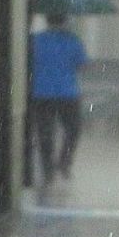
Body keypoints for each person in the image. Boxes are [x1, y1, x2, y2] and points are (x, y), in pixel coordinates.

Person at [30, 12, 88, 187]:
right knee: (73, 130)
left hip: (41, 92)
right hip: (67, 93)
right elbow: (82, 64)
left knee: (45, 132)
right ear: (65, 21)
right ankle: (64, 161)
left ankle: (47, 169)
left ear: (47, 21)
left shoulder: (36, 40)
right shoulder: (73, 41)